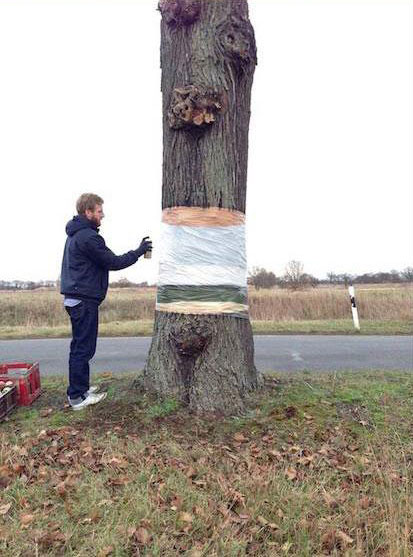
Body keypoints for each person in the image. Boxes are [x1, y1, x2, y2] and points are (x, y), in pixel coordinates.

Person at [60, 193, 152, 410]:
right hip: (83, 300)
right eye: (99, 211)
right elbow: (113, 262)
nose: (103, 215)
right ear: (88, 212)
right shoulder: (88, 237)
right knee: (83, 349)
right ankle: (77, 397)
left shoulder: (77, 235)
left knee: (81, 347)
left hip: (77, 298)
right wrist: (138, 252)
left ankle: (81, 389)